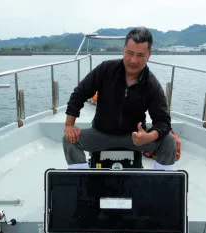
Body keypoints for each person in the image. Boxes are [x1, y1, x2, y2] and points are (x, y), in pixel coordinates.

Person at [63, 27, 177, 170]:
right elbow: (79, 93)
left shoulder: (151, 84)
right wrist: (69, 125)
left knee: (169, 141)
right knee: (69, 139)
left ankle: (159, 183)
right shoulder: (106, 69)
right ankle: (83, 180)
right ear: (123, 49)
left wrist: (148, 137)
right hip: (100, 133)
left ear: (149, 55)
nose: (133, 60)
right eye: (129, 53)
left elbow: (163, 122)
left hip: (134, 138)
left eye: (140, 55)